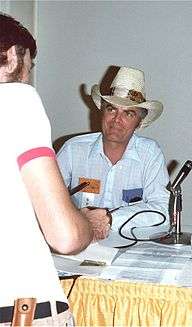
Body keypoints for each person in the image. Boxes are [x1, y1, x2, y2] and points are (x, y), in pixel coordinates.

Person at [0, 12, 109, 326]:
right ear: (10, 57)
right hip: (22, 310)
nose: (28, 78)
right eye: (29, 67)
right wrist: (86, 223)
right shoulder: (17, 100)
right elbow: (66, 237)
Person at [57, 66, 170, 237]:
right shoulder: (73, 149)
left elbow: (162, 213)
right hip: (80, 241)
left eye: (129, 114)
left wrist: (110, 218)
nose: (117, 120)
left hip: (130, 245)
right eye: (111, 109)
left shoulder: (150, 154)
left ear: (139, 122)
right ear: (102, 112)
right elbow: (44, 198)